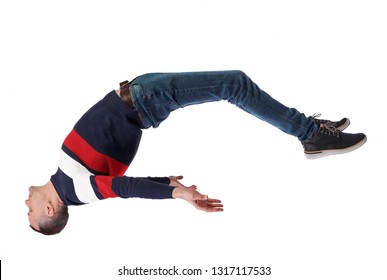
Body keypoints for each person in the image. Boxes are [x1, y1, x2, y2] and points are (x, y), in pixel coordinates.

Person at [25, 70, 367, 235]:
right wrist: (176, 193)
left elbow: (117, 183)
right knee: (235, 84)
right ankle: (310, 134)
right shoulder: (75, 191)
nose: (26, 205)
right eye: (31, 213)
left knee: (233, 84)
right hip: (144, 99)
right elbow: (123, 189)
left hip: (140, 95)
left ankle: (309, 128)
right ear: (51, 208)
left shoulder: (70, 182)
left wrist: (163, 181)